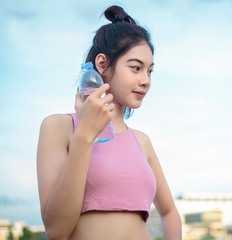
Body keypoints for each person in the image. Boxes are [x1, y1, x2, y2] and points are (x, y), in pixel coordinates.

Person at [36, 5, 182, 240]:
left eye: (150, 71)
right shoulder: (58, 127)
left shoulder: (142, 141)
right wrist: (84, 135)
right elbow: (56, 230)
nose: (145, 80)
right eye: (136, 68)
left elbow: (169, 212)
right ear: (102, 64)